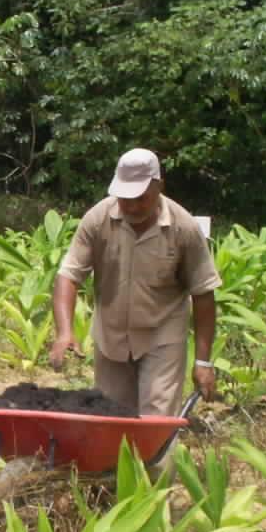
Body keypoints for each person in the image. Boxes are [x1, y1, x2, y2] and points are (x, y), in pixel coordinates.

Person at [49, 148, 221, 423]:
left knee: (156, 425)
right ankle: (118, 468)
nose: (131, 207)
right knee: (111, 421)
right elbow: (68, 276)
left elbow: (203, 293)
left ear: (159, 186)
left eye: (141, 198)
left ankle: (157, 467)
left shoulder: (183, 228)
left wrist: (202, 362)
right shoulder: (97, 219)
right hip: (111, 338)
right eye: (125, 199)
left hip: (161, 339)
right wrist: (64, 332)